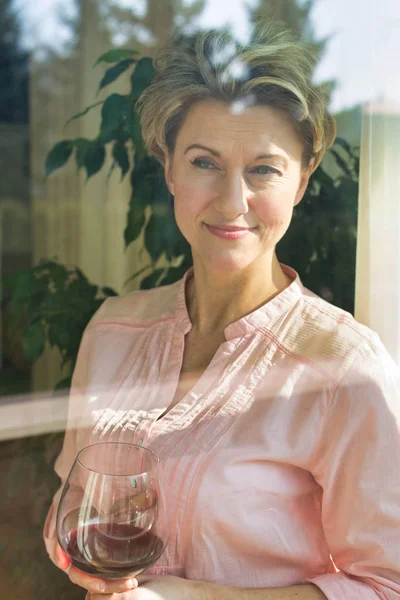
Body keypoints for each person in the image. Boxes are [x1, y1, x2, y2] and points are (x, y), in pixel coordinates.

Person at [44, 20, 400, 600]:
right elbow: (71, 511)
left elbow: (386, 586)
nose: (233, 202)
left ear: (302, 181)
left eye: (264, 169)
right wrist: (76, 555)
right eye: (205, 163)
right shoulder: (111, 330)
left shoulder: (346, 369)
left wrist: (197, 597)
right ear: (169, 169)